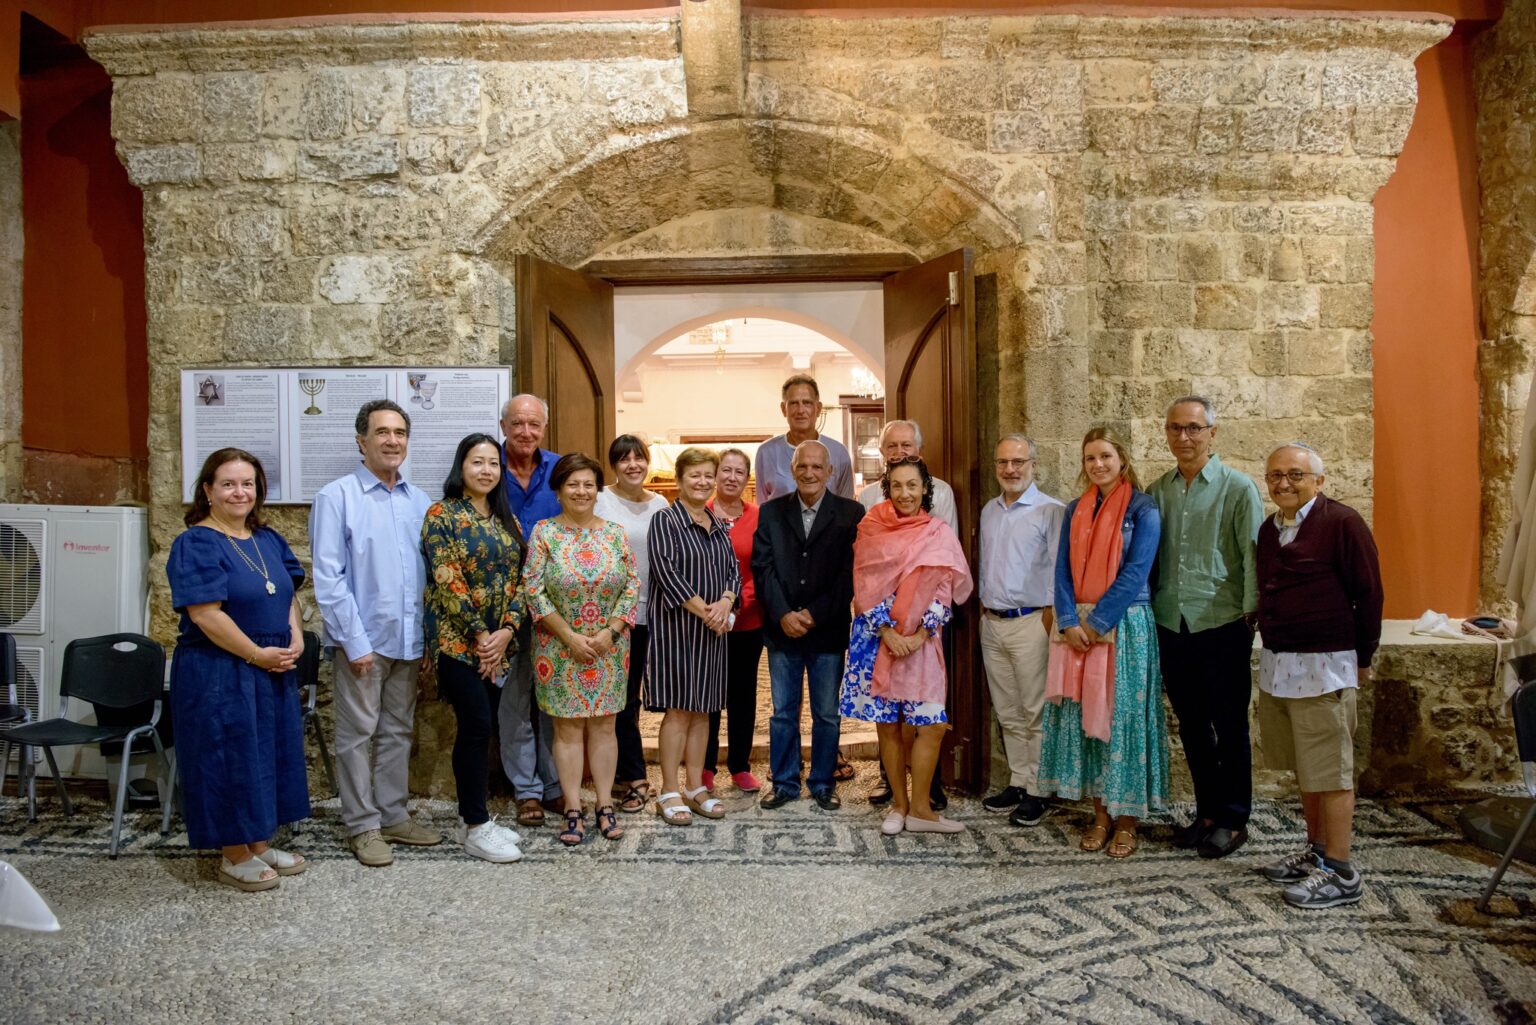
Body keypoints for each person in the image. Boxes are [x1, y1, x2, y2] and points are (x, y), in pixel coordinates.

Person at [168, 449, 307, 891]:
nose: (239, 492)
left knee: (263, 755)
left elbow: (287, 594)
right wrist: (254, 653)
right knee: (227, 757)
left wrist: (296, 635)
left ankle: (258, 842)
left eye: (247, 483)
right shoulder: (196, 543)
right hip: (221, 670)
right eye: (228, 484)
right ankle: (233, 854)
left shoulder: (267, 540)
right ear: (207, 490)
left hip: (270, 665)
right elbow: (206, 614)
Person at [311, 399, 441, 867]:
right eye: (382, 432)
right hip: (362, 642)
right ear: (361, 440)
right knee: (356, 734)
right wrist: (354, 642)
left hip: (408, 640)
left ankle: (393, 816)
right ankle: (363, 826)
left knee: (397, 732)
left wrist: (427, 640)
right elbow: (329, 578)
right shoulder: (337, 497)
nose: (392, 441)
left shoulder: (420, 501)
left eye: (400, 433)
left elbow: (429, 575)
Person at [1256, 443, 1382, 909]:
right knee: (1307, 769)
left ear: (1318, 481)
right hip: (1281, 666)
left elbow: (1369, 593)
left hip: (1324, 667)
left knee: (1331, 772)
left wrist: (1364, 656)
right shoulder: (1271, 530)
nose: (1283, 483)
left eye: (1295, 475)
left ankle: (1342, 871)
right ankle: (1317, 852)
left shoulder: (1342, 523)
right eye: (1275, 476)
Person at [1039, 426, 1169, 859]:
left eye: (1106, 456)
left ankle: (1128, 820)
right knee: (1086, 721)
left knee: (1121, 719)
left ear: (1122, 459)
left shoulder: (1143, 509)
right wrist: (1069, 622)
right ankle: (1099, 815)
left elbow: (1137, 573)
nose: (1098, 465)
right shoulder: (1076, 510)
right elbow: (1060, 571)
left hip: (1124, 625)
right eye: (1090, 457)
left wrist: (1095, 625)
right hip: (1076, 630)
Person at [1148, 396, 1265, 859]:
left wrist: (1252, 616)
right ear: (1167, 433)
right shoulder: (1159, 490)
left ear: (1212, 433)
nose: (1185, 437)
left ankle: (1235, 818)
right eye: (1176, 428)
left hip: (1222, 622)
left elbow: (1253, 554)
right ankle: (1207, 813)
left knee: (1230, 724)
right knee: (1193, 725)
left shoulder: (1238, 488)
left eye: (1194, 428)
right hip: (1171, 621)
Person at [842, 457, 974, 834]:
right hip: (876, 639)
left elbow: (945, 588)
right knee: (890, 726)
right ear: (887, 488)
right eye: (897, 486)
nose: (904, 493)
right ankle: (898, 807)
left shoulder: (938, 532)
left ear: (925, 489)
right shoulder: (871, 527)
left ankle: (921, 810)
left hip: (922, 642)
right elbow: (865, 583)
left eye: (912, 485)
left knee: (931, 724)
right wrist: (888, 631)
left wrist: (918, 634)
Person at [523, 453, 640, 845]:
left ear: (597, 489)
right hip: (559, 649)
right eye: (572, 484)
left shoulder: (615, 533)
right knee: (567, 729)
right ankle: (573, 807)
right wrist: (569, 637)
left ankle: (604, 805)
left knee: (605, 727)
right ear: (558, 490)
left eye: (589, 484)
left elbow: (632, 586)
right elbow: (533, 590)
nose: (581, 491)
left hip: (609, 646)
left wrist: (611, 630)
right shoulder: (543, 533)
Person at [420, 434, 527, 863]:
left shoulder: (507, 518)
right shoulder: (441, 514)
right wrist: (482, 636)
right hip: (458, 644)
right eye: (477, 462)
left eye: (493, 463)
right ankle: (475, 825)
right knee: (476, 726)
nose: (486, 470)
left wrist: (505, 632)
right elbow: (448, 579)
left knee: (487, 729)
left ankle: (480, 817)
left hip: (500, 645)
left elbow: (524, 579)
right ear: (460, 467)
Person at [753, 440, 865, 811]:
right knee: (783, 712)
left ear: (830, 472)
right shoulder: (770, 512)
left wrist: (814, 614)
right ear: (792, 468)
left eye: (818, 467)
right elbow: (763, 568)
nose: (810, 473)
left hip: (827, 630)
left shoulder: (851, 513)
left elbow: (849, 575)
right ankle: (784, 782)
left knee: (826, 713)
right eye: (803, 466)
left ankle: (822, 782)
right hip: (781, 629)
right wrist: (783, 613)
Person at [645, 447, 741, 825]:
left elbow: (733, 569)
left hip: (713, 633)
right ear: (680, 480)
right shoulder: (665, 520)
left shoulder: (717, 522)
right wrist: (709, 612)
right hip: (677, 630)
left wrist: (727, 602)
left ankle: (695, 785)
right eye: (694, 476)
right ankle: (669, 788)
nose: (702, 482)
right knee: (679, 711)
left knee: (704, 711)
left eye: (708, 476)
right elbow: (667, 574)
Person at [977, 434, 1065, 827]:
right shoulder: (989, 511)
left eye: (1018, 462)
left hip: (1032, 621)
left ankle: (1039, 789)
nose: (1010, 470)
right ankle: (1018, 779)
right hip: (992, 622)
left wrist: (1050, 618)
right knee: (1007, 710)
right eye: (1002, 463)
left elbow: (1060, 571)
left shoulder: (1051, 511)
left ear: (1033, 463)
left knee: (1034, 711)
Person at [593, 435, 669, 814]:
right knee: (618, 699)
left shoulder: (660, 504)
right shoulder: (601, 500)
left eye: (639, 458)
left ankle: (631, 773)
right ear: (613, 465)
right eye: (624, 459)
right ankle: (632, 777)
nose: (632, 465)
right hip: (610, 617)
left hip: (651, 614)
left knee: (636, 697)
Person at [498, 393, 562, 826]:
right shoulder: (486, 464)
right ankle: (527, 789)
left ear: (544, 427)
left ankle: (557, 783)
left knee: (556, 699)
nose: (526, 432)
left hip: (556, 606)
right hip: (503, 605)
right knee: (515, 701)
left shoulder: (560, 469)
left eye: (533, 424)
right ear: (504, 426)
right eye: (518, 423)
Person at [703, 447, 764, 794]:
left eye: (739, 472)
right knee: (708, 695)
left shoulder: (759, 517)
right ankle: (706, 767)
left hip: (747, 621)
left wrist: (738, 604)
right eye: (725, 470)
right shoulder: (699, 513)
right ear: (715, 475)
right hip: (705, 622)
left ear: (747, 478)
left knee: (743, 694)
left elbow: (762, 568)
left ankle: (740, 765)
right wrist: (711, 610)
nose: (731, 477)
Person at [753, 374, 855, 503]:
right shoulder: (766, 452)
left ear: (818, 408)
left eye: (807, 403)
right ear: (784, 409)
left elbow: (846, 508)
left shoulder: (839, 453)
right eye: (794, 403)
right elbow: (762, 508)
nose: (800, 410)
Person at [857, 420, 959, 534]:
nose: (899, 451)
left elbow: (949, 543)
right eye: (892, 446)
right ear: (882, 452)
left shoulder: (942, 491)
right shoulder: (867, 495)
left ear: (919, 450)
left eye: (906, 445)